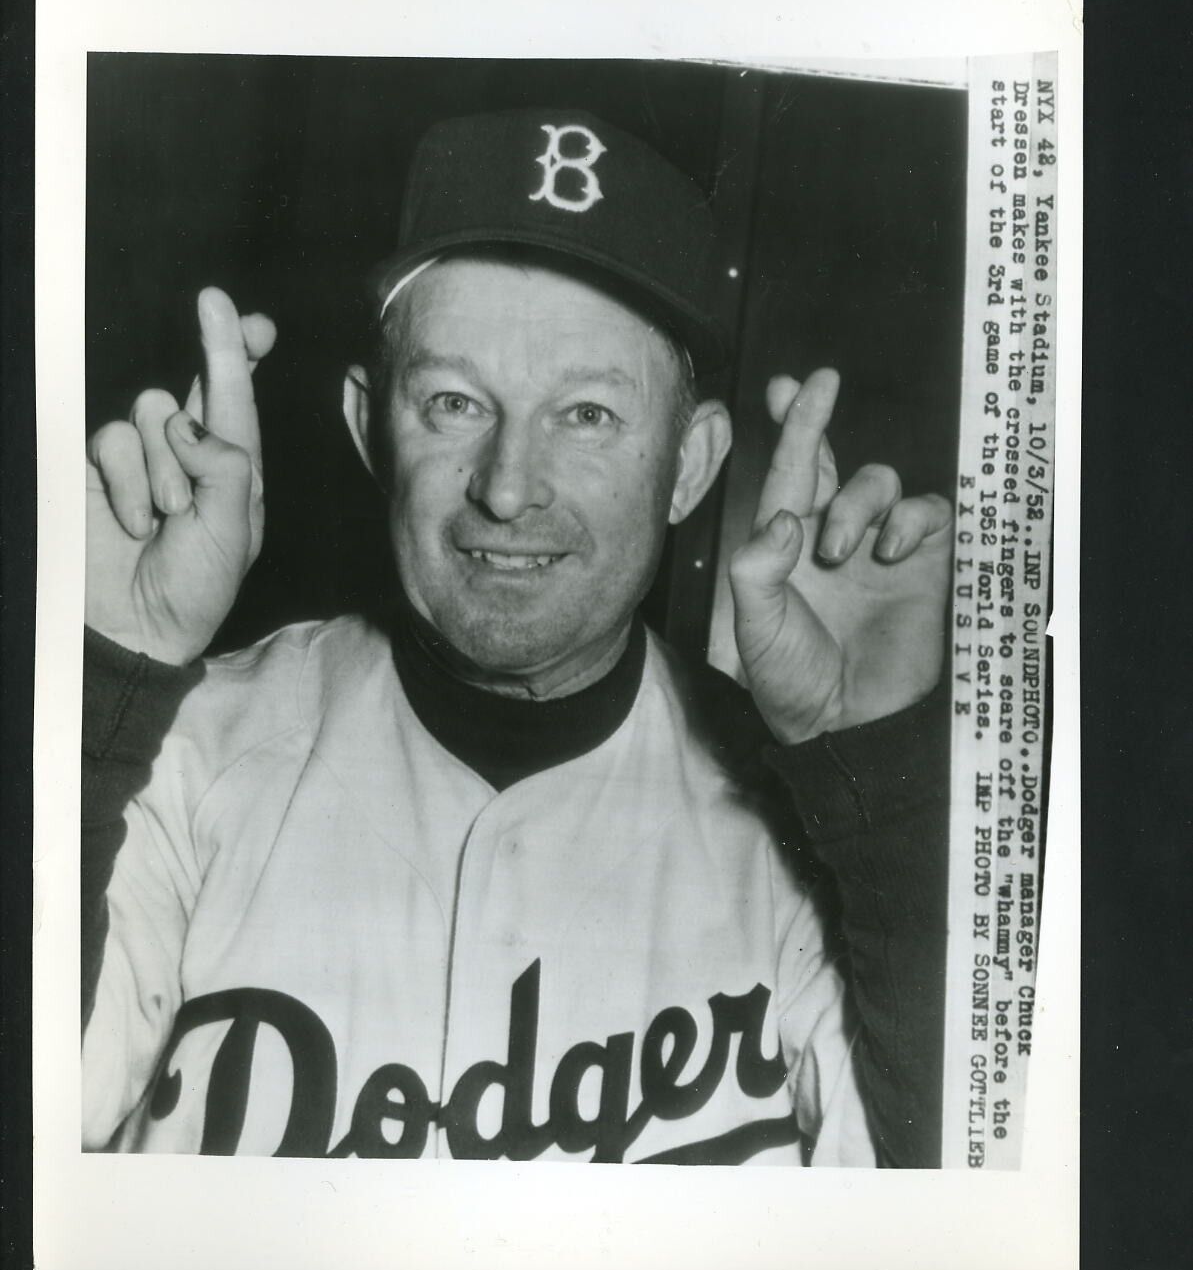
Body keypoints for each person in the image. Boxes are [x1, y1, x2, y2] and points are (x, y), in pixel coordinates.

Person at [81, 109, 952, 1164]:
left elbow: (960, 1234)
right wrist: (96, 679)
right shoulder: (178, 744)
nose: (505, 486)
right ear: (369, 428)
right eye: (453, 401)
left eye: (585, 414)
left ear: (687, 464)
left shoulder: (808, 824)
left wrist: (879, 782)